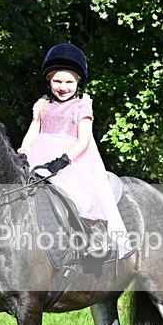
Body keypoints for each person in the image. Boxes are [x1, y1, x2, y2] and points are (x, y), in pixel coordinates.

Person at [19, 43, 127, 256]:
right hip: (39, 156)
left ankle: (97, 233)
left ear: (78, 81)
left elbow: (84, 140)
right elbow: (34, 129)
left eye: (69, 82)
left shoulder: (81, 106)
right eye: (57, 81)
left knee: (80, 194)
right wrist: (23, 151)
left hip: (71, 161)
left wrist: (65, 160)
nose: (62, 87)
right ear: (48, 80)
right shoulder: (42, 104)